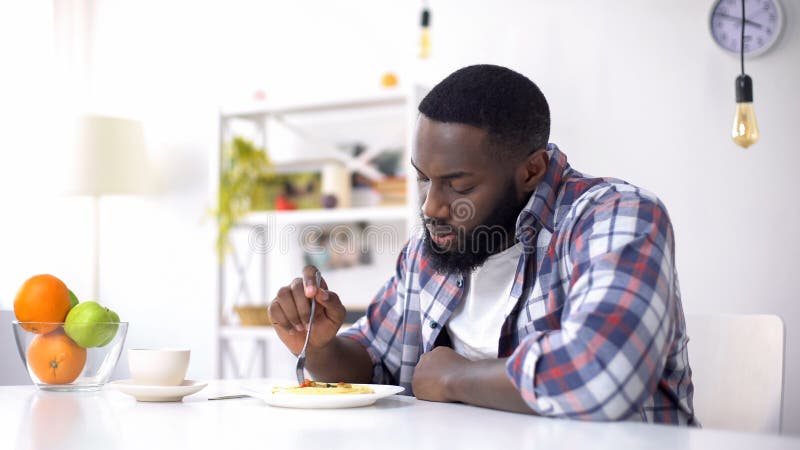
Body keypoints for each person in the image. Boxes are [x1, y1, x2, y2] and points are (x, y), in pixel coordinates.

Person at [268, 64, 696, 424]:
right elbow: (373, 359)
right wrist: (322, 345)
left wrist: (456, 378)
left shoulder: (616, 216)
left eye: (458, 186)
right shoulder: (432, 251)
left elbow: (602, 375)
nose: (432, 206)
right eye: (423, 178)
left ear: (531, 171)